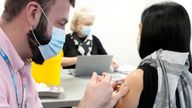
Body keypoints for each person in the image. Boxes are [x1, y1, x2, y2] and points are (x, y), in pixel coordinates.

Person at [0, 0, 128, 108]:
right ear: (34, 13)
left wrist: (99, 104)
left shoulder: (22, 68)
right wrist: (88, 104)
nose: (62, 33)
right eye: (61, 24)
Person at [115, 2, 192, 108]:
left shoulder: (137, 77)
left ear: (152, 33)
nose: (138, 35)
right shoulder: (187, 75)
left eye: (140, 29)